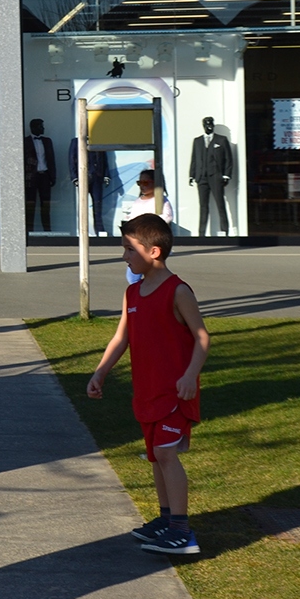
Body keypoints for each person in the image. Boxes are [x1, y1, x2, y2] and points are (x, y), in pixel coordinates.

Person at [87, 213, 210, 556]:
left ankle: (183, 532)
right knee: (156, 457)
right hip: (147, 392)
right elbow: (120, 338)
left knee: (167, 454)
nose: (124, 256)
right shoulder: (132, 293)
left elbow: (201, 337)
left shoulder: (178, 291)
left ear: (153, 252)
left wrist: (189, 375)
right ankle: (167, 519)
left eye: (129, 249)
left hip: (174, 392)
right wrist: (100, 372)